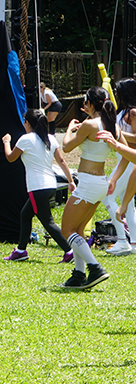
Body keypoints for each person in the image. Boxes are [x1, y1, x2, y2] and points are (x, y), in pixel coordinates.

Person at [58, 86, 117, 290]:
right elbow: (125, 151)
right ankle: (79, 274)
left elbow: (66, 147)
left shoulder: (90, 124)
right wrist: (115, 177)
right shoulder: (111, 124)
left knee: (67, 230)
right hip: (101, 182)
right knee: (79, 229)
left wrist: (69, 130)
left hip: (89, 184)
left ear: (90, 104)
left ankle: (95, 267)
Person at [1, 108, 74, 262]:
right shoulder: (51, 138)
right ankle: (21, 250)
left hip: (38, 187)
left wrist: (6, 142)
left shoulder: (25, 139)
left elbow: (10, 158)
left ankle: (70, 251)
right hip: (50, 185)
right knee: (25, 214)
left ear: (27, 123)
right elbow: (61, 161)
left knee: (47, 221)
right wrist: (70, 181)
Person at [106, 78, 136, 255]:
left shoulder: (133, 112)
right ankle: (133, 242)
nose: (115, 94)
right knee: (129, 203)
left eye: (117, 91)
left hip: (129, 162)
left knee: (107, 196)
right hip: (121, 160)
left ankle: (122, 239)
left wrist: (117, 133)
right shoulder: (123, 111)